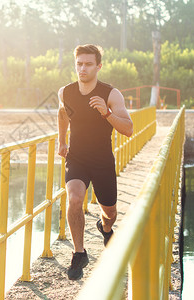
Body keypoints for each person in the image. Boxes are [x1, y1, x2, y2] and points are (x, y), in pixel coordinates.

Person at [57, 44, 133, 280]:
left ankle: (106, 228)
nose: (83, 68)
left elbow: (129, 129)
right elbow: (62, 113)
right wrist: (62, 141)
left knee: (109, 211)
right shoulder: (66, 92)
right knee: (75, 198)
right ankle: (79, 253)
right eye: (79, 63)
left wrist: (107, 114)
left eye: (88, 64)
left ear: (99, 66)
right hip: (77, 157)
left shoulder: (111, 94)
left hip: (102, 161)